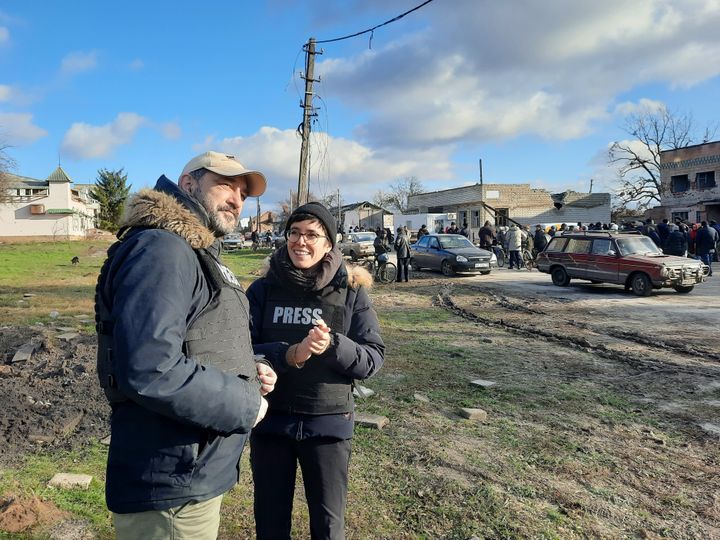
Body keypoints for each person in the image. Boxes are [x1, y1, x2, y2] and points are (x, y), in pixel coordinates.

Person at [95, 151, 276, 539]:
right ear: (188, 184)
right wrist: (247, 403)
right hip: (169, 485)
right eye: (226, 185)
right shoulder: (163, 249)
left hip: (189, 472)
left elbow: (200, 336)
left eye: (244, 192)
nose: (237, 200)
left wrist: (248, 368)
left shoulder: (193, 251)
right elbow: (150, 367)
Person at [246, 202, 385, 539]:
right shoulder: (263, 289)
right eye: (294, 233)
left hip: (328, 424)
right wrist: (286, 354)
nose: (300, 242)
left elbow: (373, 358)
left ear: (328, 244)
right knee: (270, 520)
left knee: (327, 524)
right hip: (271, 421)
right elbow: (238, 349)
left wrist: (334, 345)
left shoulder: (351, 290)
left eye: (311, 234)